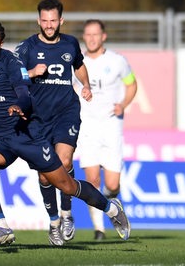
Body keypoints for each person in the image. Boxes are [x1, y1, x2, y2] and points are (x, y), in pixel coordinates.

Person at [0, 19, 130, 247]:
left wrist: (20, 106)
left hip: (26, 135)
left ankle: (111, 208)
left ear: (1, 44)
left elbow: (23, 91)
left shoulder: (10, 62)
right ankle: (2, 227)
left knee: (67, 185)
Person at [14, 0, 91, 245]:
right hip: (36, 118)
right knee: (46, 176)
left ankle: (67, 212)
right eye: (44, 21)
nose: (49, 25)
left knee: (65, 160)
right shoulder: (27, 48)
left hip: (66, 111)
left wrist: (86, 85)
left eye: (53, 21)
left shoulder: (70, 43)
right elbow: (12, 75)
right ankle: (54, 221)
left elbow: (78, 66)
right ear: (39, 21)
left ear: (61, 21)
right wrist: (32, 73)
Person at [78, 19, 137, 241]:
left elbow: (132, 84)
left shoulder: (118, 61)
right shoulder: (77, 61)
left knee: (112, 185)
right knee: (92, 181)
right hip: (87, 127)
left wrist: (123, 104)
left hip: (111, 126)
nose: (91, 38)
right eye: (88, 34)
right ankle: (99, 229)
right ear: (84, 37)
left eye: (96, 34)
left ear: (104, 36)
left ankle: (112, 202)